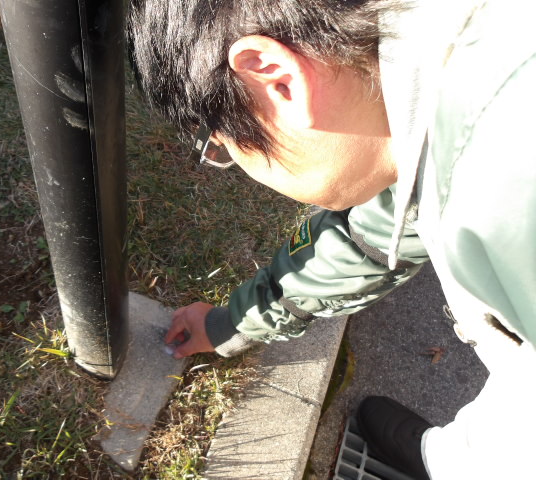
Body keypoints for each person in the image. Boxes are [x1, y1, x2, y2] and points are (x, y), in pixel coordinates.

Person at [128, 0, 536, 478]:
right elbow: (370, 235)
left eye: (223, 149)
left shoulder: (502, 192)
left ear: (278, 82)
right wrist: (230, 323)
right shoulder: (429, 71)